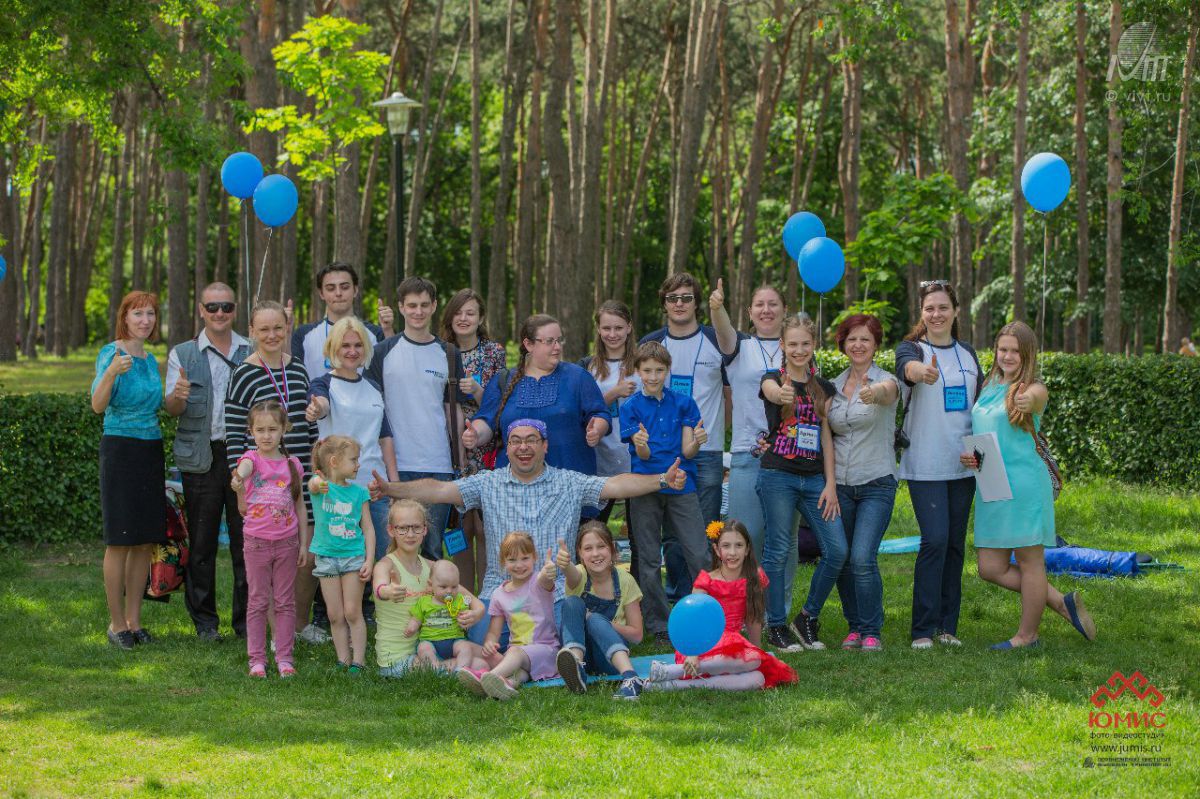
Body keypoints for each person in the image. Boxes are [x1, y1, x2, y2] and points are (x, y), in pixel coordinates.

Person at [367, 419, 688, 643]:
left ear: (544, 446)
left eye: (531, 440)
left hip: (555, 594)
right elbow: (438, 490)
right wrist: (391, 488)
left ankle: (555, 652)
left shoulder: (569, 482)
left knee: (573, 642)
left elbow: (616, 484)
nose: (523, 447)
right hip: (500, 593)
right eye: (516, 441)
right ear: (507, 447)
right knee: (482, 642)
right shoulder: (488, 483)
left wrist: (662, 480)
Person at [961, 321, 1097, 649]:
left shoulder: (1033, 388)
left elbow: (1034, 400)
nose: (1007, 356)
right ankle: (1059, 601)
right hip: (991, 483)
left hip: (1023, 485)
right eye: (1002, 349)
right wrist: (972, 457)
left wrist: (1025, 401)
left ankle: (1027, 636)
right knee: (989, 567)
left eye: (1015, 351)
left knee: (1029, 561)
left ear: (1028, 355)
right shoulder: (990, 384)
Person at [225, 300, 321, 643]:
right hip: (263, 481)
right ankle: (276, 630)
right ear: (252, 331)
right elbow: (234, 434)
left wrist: (315, 467)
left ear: (286, 328)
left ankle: (298, 623)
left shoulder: (298, 369)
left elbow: (310, 426)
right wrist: (241, 488)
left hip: (300, 472)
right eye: (264, 329)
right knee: (268, 554)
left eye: (278, 328)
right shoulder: (243, 373)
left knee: (307, 552)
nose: (271, 335)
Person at [895, 280, 984, 650]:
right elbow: (906, 369)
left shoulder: (968, 353)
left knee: (955, 546)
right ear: (921, 312)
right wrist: (922, 372)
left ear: (956, 311)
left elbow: (979, 410)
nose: (936, 314)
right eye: (929, 308)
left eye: (943, 307)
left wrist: (981, 455)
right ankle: (922, 629)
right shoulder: (912, 348)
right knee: (935, 540)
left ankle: (948, 627)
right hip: (925, 464)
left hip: (963, 465)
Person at [165, 282, 252, 642]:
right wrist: (178, 396)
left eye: (226, 307)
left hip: (244, 456)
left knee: (247, 543)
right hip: (201, 457)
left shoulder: (251, 350)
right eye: (212, 307)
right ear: (201, 310)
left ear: (235, 310)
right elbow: (172, 410)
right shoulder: (183, 353)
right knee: (201, 544)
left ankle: (246, 623)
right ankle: (205, 623)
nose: (219, 313)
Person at [756, 314, 844, 653]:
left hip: (815, 479)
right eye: (792, 344)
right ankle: (776, 625)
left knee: (837, 550)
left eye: (805, 343)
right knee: (778, 549)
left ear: (813, 345)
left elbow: (826, 437)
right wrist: (781, 394)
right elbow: (772, 393)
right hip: (778, 475)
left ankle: (807, 617)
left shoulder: (824, 388)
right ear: (782, 345)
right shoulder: (772, 380)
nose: (799, 349)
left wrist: (831, 484)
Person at [305, 316, 398, 623]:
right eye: (345, 345)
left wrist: (394, 483)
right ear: (333, 348)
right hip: (337, 490)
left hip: (373, 485)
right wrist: (316, 408)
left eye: (358, 345)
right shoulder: (323, 383)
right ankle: (326, 616)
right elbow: (320, 404)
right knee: (336, 551)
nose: (352, 351)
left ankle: (370, 614)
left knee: (377, 553)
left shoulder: (373, 387)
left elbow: (385, 436)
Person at [620, 341, 710, 645]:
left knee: (698, 551)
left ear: (667, 370)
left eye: (659, 370)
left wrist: (697, 441)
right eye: (647, 370)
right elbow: (643, 456)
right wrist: (641, 443)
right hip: (645, 485)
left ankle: (707, 613)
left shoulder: (683, 402)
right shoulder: (630, 407)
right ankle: (659, 623)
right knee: (648, 557)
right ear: (638, 371)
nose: (653, 376)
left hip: (682, 483)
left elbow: (688, 450)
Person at [90, 291, 167, 650]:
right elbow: (97, 405)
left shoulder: (150, 360)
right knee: (120, 540)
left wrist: (176, 396)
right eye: (138, 314)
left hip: (150, 448)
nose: (145, 320)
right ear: (124, 317)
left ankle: (135, 621)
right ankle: (116, 623)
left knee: (144, 540)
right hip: (120, 449)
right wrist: (110, 373)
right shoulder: (112, 353)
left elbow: (156, 405)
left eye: (150, 314)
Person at [366, 277, 461, 560]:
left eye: (423, 305)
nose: (418, 311)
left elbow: (453, 410)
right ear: (401, 307)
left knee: (432, 550)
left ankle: (433, 593)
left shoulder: (449, 353)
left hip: (438, 465)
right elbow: (372, 408)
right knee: (392, 551)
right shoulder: (383, 352)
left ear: (434, 306)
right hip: (395, 466)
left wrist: (461, 458)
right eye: (411, 305)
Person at [644, 521, 796, 692]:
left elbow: (753, 618)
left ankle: (669, 684)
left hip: (733, 646)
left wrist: (757, 652)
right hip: (701, 643)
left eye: (739, 545)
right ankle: (674, 671)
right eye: (726, 546)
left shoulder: (755, 577)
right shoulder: (706, 581)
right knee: (752, 661)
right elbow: (693, 622)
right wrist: (693, 653)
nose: (732, 552)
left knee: (757, 676)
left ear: (747, 549)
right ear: (717, 550)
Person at [828, 314, 901, 652]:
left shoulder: (887, 380)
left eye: (865, 339)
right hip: (840, 486)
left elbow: (888, 393)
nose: (858, 345)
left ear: (875, 345)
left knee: (861, 557)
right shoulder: (832, 385)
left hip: (876, 482)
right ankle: (854, 626)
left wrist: (874, 391)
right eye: (852, 339)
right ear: (843, 344)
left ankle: (872, 630)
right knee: (842, 558)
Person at [466, 314, 610, 481]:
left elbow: (600, 413)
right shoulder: (502, 380)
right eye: (549, 341)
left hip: (571, 483)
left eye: (559, 340)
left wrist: (597, 430)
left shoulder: (578, 377)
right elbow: (487, 421)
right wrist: (475, 434)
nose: (557, 347)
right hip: (515, 486)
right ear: (529, 344)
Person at [230, 401, 309, 677]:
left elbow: (300, 506)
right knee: (258, 601)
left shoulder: (292, 465)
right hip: (256, 543)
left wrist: (303, 543)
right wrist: (238, 480)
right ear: (251, 432)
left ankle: (285, 658)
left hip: (287, 543)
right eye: (260, 430)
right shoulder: (251, 459)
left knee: (285, 601)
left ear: (284, 429)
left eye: (272, 429)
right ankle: (257, 660)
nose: (266, 435)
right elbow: (243, 470)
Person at [438, 288, 507, 592]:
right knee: (459, 529)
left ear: (481, 318)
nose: (463, 318)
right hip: (448, 450)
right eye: (458, 312)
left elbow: (500, 404)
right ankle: (462, 597)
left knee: (484, 526)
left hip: (485, 448)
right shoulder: (439, 351)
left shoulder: (493, 352)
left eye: (470, 313)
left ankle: (488, 598)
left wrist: (478, 392)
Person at [709, 281, 786, 553]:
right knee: (744, 537)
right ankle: (745, 584)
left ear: (785, 310)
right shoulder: (740, 345)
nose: (766, 310)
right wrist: (717, 308)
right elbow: (723, 329)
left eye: (773, 304)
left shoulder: (796, 347)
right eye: (760, 305)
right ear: (749, 312)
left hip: (789, 457)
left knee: (782, 542)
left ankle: (780, 586)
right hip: (747, 454)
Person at [373, 500, 480, 678]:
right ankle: (491, 675)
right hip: (397, 661)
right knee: (477, 664)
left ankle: (516, 673)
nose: (410, 534)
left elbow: (474, 602)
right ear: (391, 530)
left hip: (433, 648)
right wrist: (388, 591)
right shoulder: (386, 565)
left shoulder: (432, 568)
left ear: (424, 530)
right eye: (402, 528)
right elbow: (380, 587)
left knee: (485, 657)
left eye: (416, 527)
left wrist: (475, 614)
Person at [458, 532, 563, 701]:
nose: (519, 565)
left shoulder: (538, 582)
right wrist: (489, 643)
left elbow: (546, 579)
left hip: (546, 651)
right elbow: (494, 632)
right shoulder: (499, 594)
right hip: (518, 658)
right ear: (503, 562)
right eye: (512, 560)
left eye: (525, 558)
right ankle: (506, 685)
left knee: (515, 653)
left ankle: (486, 677)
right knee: (515, 669)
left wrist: (548, 571)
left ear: (534, 558)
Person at [555, 521, 646, 700]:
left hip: (610, 658)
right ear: (580, 554)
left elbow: (637, 635)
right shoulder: (579, 575)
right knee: (572, 602)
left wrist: (601, 621)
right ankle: (577, 666)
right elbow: (572, 574)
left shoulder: (626, 581)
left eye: (601, 546)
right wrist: (565, 566)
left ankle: (631, 678)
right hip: (585, 656)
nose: (595, 553)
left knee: (595, 619)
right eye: (588, 548)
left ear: (612, 549)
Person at [307, 436, 374, 673]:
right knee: (335, 615)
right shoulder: (320, 488)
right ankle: (342, 659)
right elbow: (313, 483)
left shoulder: (359, 493)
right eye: (353, 460)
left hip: (353, 558)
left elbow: (368, 528)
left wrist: (369, 560)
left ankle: (359, 661)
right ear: (334, 461)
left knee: (352, 611)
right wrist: (318, 482)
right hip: (326, 559)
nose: (358, 464)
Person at [290, 261, 391, 379]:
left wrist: (388, 330)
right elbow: (289, 373)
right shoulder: (303, 335)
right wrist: (286, 333)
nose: (338, 293)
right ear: (321, 293)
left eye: (345, 287)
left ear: (355, 290)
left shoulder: (377, 334)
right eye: (330, 288)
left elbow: (392, 370)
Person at [405, 560, 487, 671]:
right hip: (430, 641)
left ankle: (461, 670)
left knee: (466, 647)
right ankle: (434, 668)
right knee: (423, 648)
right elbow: (417, 618)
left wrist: (465, 620)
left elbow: (466, 618)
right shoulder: (424, 602)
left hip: (454, 640)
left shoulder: (459, 600)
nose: (449, 591)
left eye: (454, 587)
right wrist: (412, 626)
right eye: (443, 587)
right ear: (431, 585)